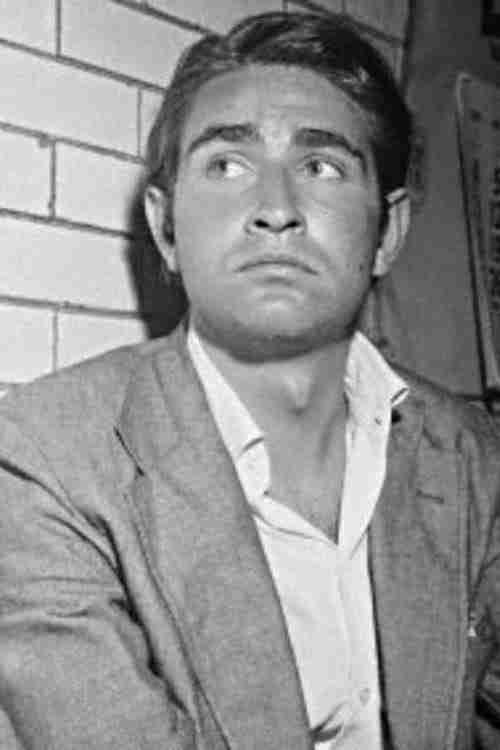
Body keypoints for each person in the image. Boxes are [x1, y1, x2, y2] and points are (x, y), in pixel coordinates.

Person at [0, 10, 499, 750]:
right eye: (227, 165)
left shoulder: (472, 455)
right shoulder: (47, 458)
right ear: (166, 229)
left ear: (387, 232)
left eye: (321, 166)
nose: (275, 210)